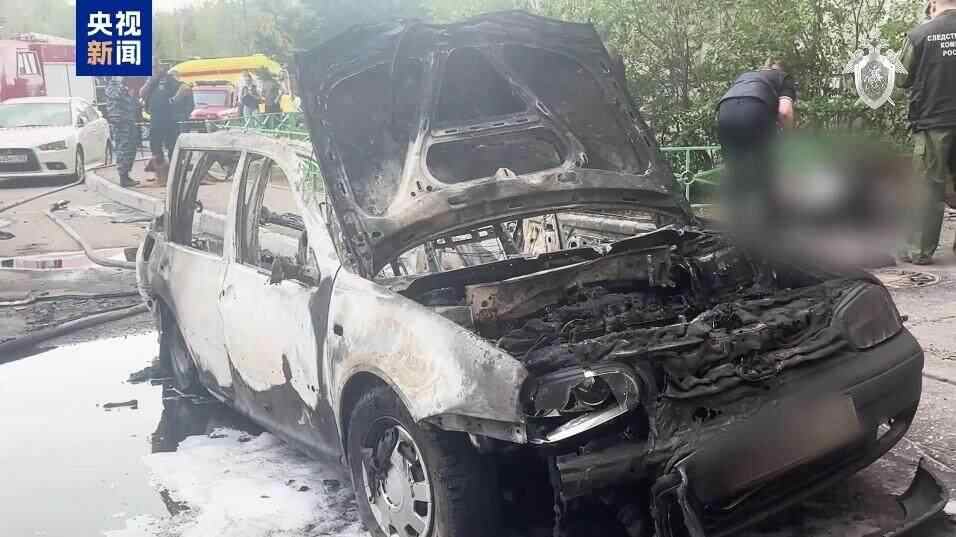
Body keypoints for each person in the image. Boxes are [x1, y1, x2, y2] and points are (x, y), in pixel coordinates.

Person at [897, 1, 956, 265]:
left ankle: (918, 250)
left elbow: (901, 78)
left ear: (932, 3)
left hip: (933, 121)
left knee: (927, 188)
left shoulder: (919, 34)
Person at [715, 59, 797, 233]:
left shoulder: (747, 76)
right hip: (755, 109)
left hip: (724, 111)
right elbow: (784, 112)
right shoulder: (784, 78)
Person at [142, 67, 190, 184]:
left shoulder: (168, 79)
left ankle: (177, 176)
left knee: (173, 149)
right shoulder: (151, 82)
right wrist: (149, 82)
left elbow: (186, 88)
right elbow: (141, 93)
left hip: (170, 121)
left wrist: (173, 100)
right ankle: (161, 177)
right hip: (155, 121)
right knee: (156, 150)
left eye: (155, 67)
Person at [104, 77, 140, 187]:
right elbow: (116, 97)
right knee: (124, 148)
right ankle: (123, 177)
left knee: (130, 147)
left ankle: (126, 175)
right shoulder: (114, 86)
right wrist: (129, 93)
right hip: (122, 122)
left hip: (127, 121)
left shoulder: (121, 86)